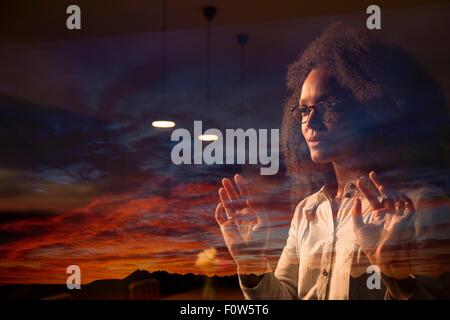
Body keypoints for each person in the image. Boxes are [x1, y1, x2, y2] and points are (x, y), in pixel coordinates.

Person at [214, 22, 450, 299]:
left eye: (326, 106)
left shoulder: (422, 205)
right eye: (303, 109)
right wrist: (253, 267)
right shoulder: (308, 211)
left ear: (369, 106)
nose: (309, 122)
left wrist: (396, 277)